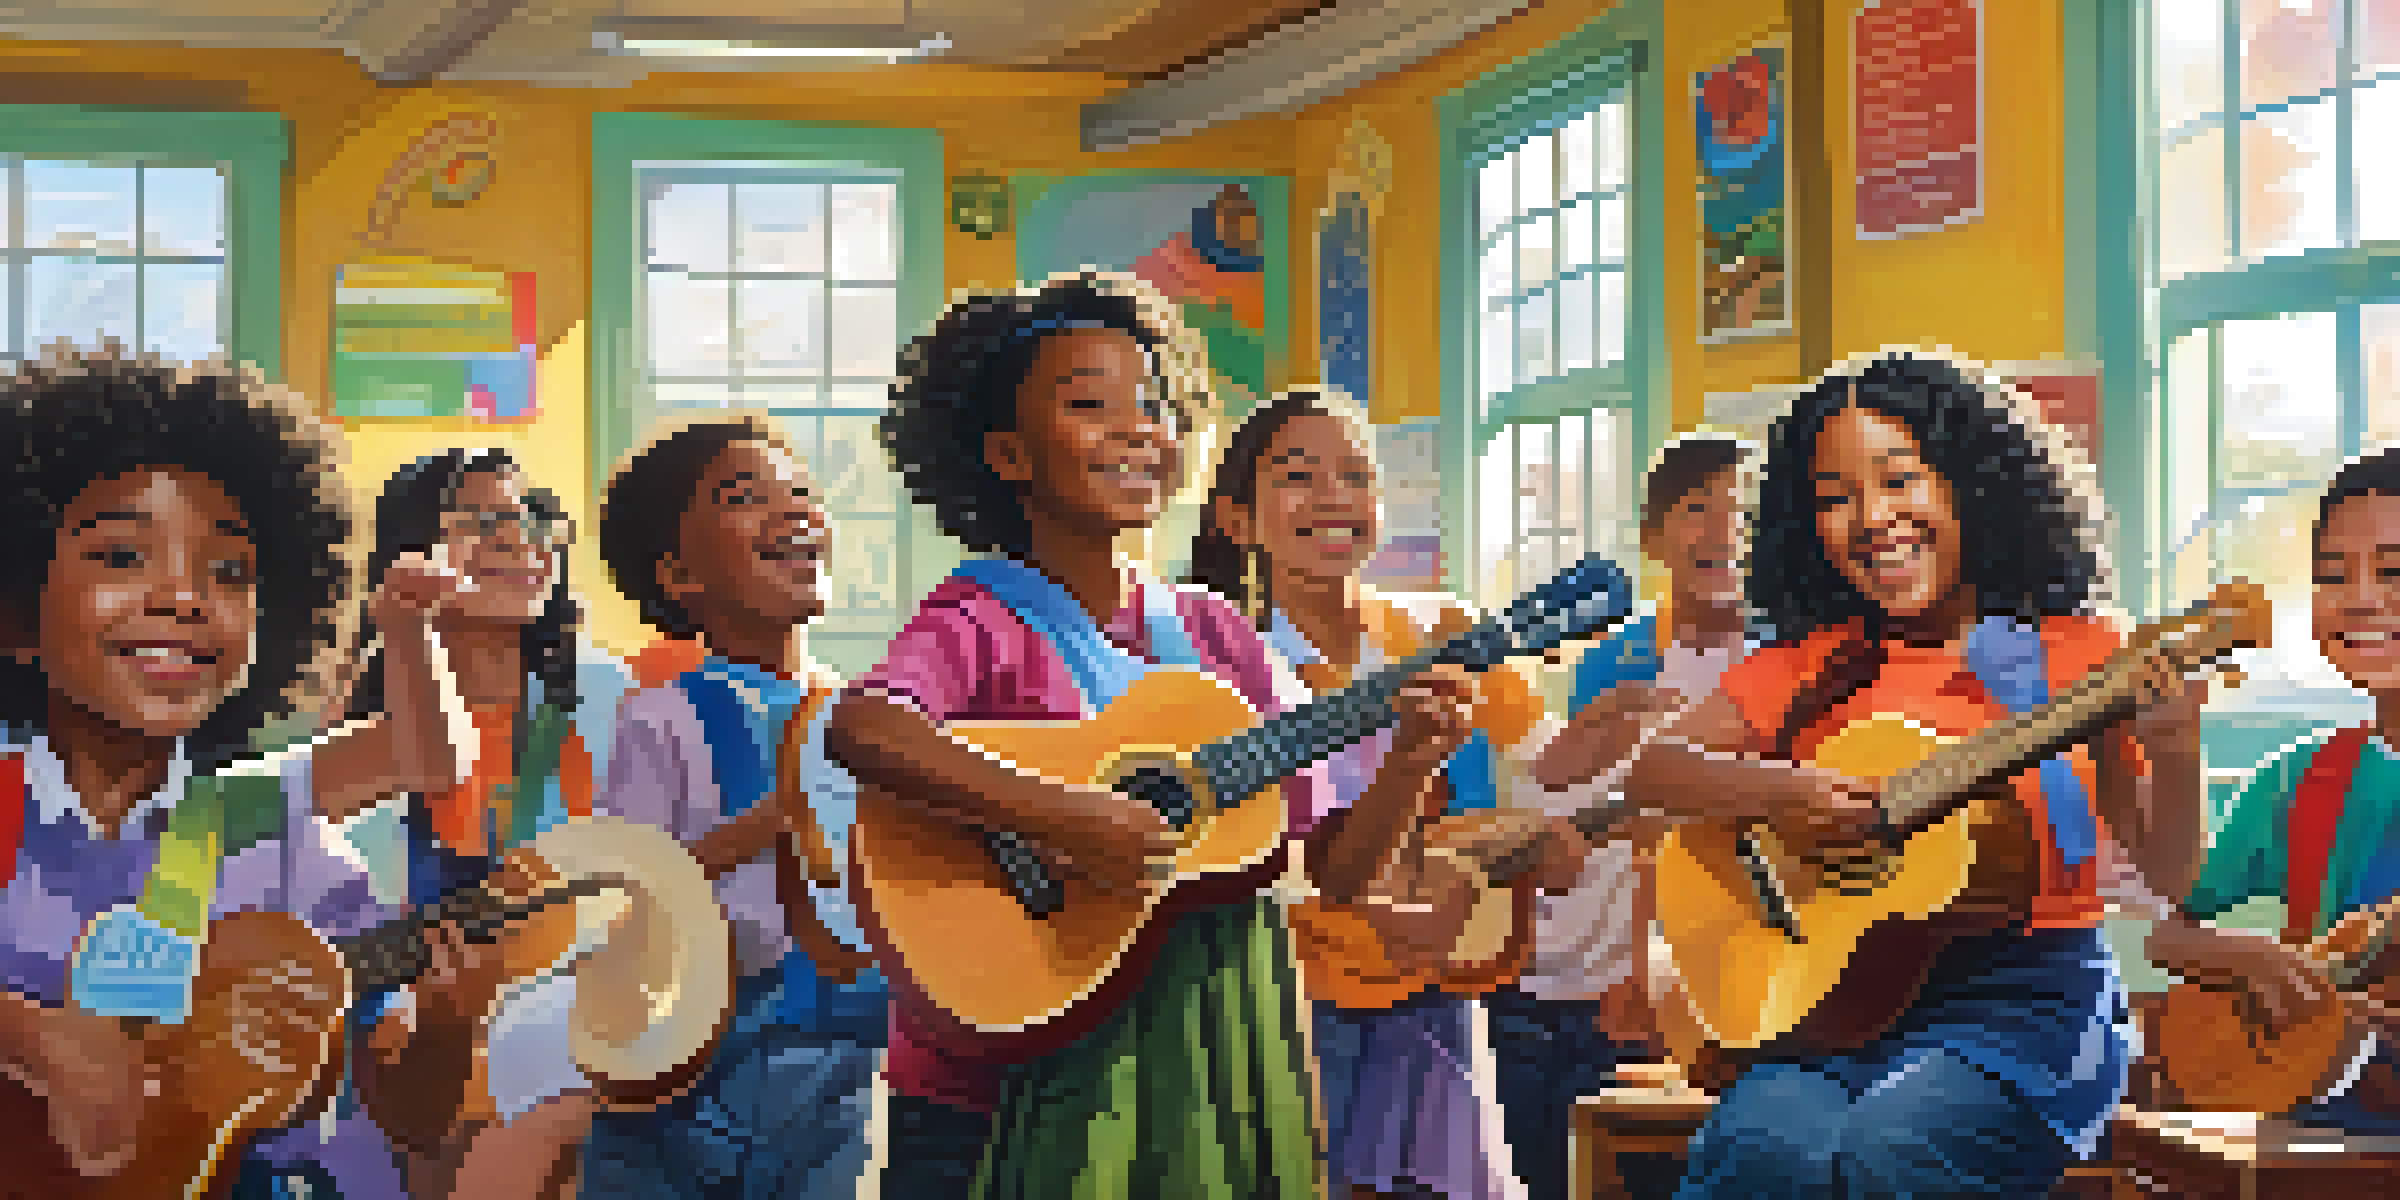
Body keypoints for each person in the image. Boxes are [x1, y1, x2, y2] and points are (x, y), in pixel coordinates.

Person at [824, 272, 1476, 1200]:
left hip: (1209, 1085)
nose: (1137, 429)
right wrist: (1064, 818)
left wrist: (1409, 763)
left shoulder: (1216, 634)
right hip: (993, 1085)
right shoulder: (979, 617)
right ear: (1007, 453)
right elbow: (866, 727)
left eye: (1154, 405)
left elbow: (1336, 872)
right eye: (1090, 405)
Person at [1603, 353, 2207, 1197]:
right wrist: (1784, 794)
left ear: (1974, 485)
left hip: (2029, 1006)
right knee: (1760, 1147)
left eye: (1900, 479)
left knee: (1899, 1144)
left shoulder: (2081, 657)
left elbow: (2169, 873)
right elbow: (1651, 771)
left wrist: (2174, 750)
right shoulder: (1814, 663)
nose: (1871, 519)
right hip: (1835, 1003)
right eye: (1834, 497)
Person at [0, 343, 469, 1200]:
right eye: (121, 557)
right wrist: (31, 1039)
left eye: (229, 572)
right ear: (16, 611)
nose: (185, 598)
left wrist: (445, 1023)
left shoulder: (271, 829)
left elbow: (410, 1111)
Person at [1190, 386, 1555, 1200]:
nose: (1333, 497)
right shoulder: (1225, 668)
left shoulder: (1437, 632)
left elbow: (1557, 764)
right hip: (1294, 1004)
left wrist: (1639, 740)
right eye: (1298, 476)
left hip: (1427, 993)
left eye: (1355, 476)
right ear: (1236, 519)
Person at [577, 413, 887, 1199]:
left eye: (803, 492)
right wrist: (775, 818)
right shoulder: (664, 714)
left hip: (845, 1062)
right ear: (680, 575)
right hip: (693, 1072)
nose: (794, 509)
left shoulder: (868, 717)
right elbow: (628, 890)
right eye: (746, 496)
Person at [1482, 432, 1760, 1200]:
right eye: (1696, 509)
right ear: (1652, 536)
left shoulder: (1788, 656)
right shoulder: (1611, 660)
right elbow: (1588, 819)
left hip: (1731, 970)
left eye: (1741, 512)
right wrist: (1625, 966)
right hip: (1601, 985)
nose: (1720, 529)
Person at [345, 447, 622, 1199]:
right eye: (480, 520)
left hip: (589, 1038)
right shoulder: (364, 728)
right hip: (418, 1045)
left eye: (531, 518)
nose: (516, 539)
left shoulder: (612, 699)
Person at [2147, 446, 2400, 1133]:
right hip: (2322, 1103)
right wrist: (2248, 958)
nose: (2361, 598)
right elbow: (2168, 933)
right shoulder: (2299, 775)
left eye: (2393, 571)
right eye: (2332, 575)